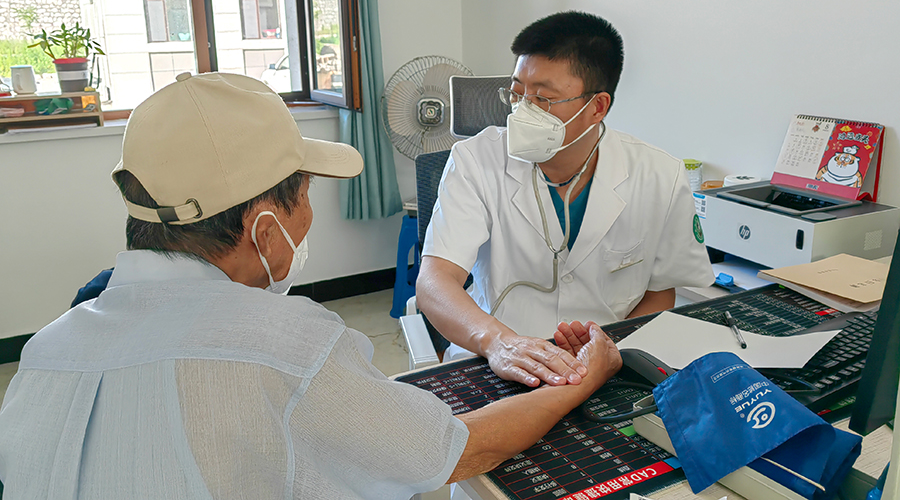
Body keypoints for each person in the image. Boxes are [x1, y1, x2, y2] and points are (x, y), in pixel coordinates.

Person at [0, 72, 622, 499]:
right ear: (264, 226)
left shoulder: (46, 350)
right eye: (304, 195)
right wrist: (583, 378)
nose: (308, 218)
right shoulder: (289, 346)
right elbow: (456, 449)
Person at [417, 11, 714, 388]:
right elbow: (435, 281)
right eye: (517, 93)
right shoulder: (476, 160)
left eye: (543, 98)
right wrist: (499, 342)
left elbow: (660, 291)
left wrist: (607, 354)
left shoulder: (659, 175)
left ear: (597, 107)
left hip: (607, 363)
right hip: (494, 358)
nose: (522, 111)